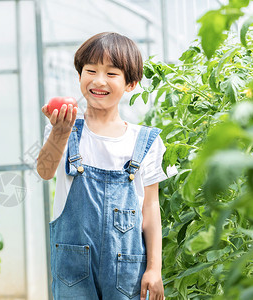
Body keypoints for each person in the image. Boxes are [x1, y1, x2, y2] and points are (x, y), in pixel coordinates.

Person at [37, 32, 177, 300]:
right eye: (90, 70)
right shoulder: (64, 129)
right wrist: (59, 133)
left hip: (128, 269)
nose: (98, 81)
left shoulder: (145, 141)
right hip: (72, 268)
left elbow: (150, 208)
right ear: (79, 77)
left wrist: (154, 269)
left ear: (131, 84)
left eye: (112, 74)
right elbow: (44, 171)